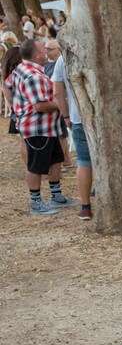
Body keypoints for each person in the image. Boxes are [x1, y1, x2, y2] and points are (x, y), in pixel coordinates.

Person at [8, 38, 73, 214]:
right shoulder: (33, 76)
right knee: (35, 167)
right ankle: (36, 202)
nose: (46, 52)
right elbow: (40, 106)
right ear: (36, 55)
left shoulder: (24, 69)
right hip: (38, 128)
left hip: (47, 127)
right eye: (43, 50)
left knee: (55, 161)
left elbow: (7, 84)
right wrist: (63, 102)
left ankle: (56, 195)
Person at [51, 51, 94, 220]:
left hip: (78, 117)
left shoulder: (63, 58)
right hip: (106, 118)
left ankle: (86, 207)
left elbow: (58, 92)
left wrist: (66, 115)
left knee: (84, 162)